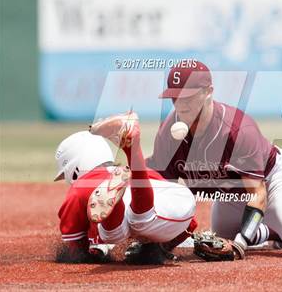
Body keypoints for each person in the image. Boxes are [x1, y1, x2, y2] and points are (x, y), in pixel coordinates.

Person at [146, 60, 282, 259]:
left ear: (208, 92)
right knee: (221, 238)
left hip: (271, 180)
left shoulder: (237, 130)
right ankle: (276, 232)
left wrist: (240, 245)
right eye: (175, 97)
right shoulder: (168, 134)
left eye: (189, 96)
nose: (181, 104)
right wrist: (158, 241)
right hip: (230, 192)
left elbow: (258, 195)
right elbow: (165, 192)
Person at [54, 112, 196, 264]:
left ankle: (118, 197)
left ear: (74, 169)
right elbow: (192, 224)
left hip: (144, 209)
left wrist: (92, 253)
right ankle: (129, 152)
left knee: (118, 231)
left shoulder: (81, 186)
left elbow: (75, 250)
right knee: (132, 224)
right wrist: (155, 250)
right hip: (174, 199)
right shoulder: (139, 172)